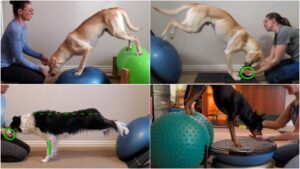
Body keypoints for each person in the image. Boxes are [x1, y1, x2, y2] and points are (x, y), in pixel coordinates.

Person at [1, 1, 49, 84]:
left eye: (32, 10)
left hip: (11, 63)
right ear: (20, 11)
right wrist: (39, 68)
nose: (32, 13)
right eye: (30, 10)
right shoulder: (14, 29)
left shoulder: (22, 26)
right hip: (3, 67)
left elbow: (24, 47)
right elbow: (19, 59)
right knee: (38, 78)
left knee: (40, 75)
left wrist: (40, 56)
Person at [254, 12, 299, 83]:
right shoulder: (278, 34)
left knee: (273, 78)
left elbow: (276, 60)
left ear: (273, 20)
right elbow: (270, 57)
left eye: (266, 21)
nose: (264, 24)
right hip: (296, 60)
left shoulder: (284, 32)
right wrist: (253, 69)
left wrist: (255, 73)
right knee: (268, 71)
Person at [261, 85, 299, 167]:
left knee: (275, 155)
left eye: (288, 86)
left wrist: (270, 137)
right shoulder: (292, 104)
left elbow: (296, 134)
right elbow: (278, 124)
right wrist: (257, 122)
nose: (284, 87)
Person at [1, 84, 31, 162]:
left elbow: (2, 120)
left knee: (27, 149)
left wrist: (12, 127)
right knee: (21, 154)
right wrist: (2, 131)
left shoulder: (2, 98)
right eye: (4, 85)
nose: (8, 86)